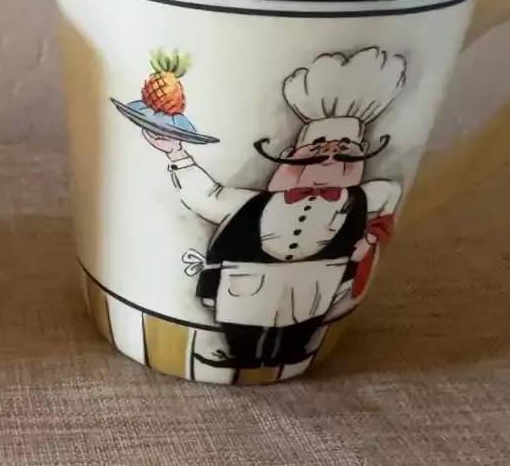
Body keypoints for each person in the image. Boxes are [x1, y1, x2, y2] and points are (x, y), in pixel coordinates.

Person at [146, 46, 403, 369]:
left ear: (361, 153)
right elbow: (208, 197)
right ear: (293, 156)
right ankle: (242, 356)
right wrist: (176, 154)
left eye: (343, 151)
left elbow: (390, 193)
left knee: (303, 321)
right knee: (242, 321)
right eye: (318, 149)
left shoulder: (363, 198)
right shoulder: (257, 202)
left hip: (317, 277)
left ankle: (293, 354)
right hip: (252, 275)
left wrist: (369, 239)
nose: (329, 158)